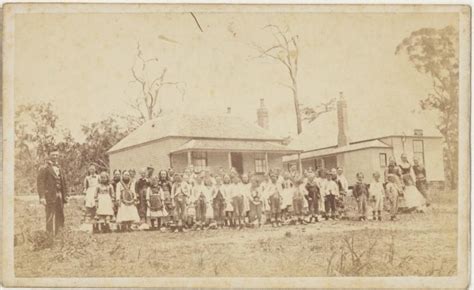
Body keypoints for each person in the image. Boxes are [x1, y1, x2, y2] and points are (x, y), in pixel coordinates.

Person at [36, 147, 68, 235]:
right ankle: (49, 237)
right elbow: (40, 183)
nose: (55, 157)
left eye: (56, 155)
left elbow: (64, 182)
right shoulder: (44, 168)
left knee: (60, 215)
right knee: (50, 216)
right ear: (49, 156)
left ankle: (59, 235)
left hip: (60, 194)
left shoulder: (59, 167)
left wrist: (66, 195)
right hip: (49, 195)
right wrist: (42, 197)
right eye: (53, 155)